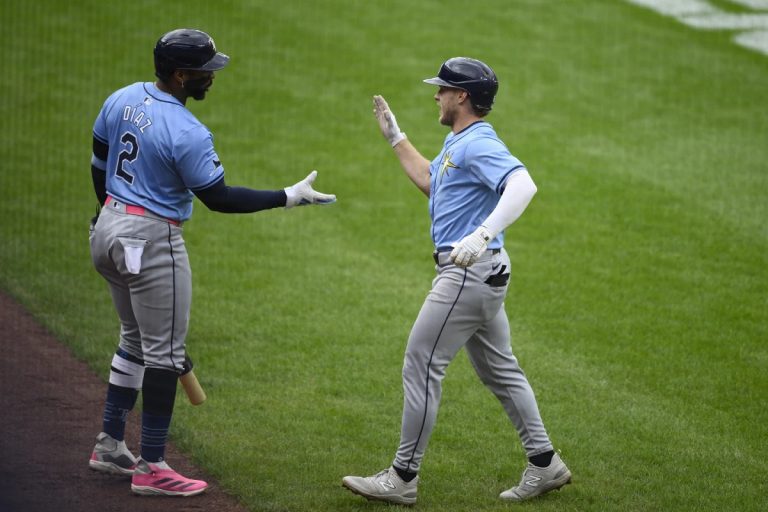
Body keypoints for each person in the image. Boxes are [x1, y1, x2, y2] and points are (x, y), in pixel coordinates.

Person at [87, 28, 335, 497]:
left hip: (108, 229)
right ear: (181, 76)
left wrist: (104, 210)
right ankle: (152, 466)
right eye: (204, 72)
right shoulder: (187, 132)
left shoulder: (120, 98)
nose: (212, 78)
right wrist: (288, 197)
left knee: (134, 340)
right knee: (164, 354)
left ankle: (109, 444)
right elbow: (219, 199)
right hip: (153, 241)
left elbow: (100, 161)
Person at [342, 57, 570, 505]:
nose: (436, 95)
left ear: (461, 96)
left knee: (421, 364)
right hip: (486, 274)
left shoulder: (478, 143)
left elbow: (523, 184)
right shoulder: (459, 140)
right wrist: (396, 138)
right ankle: (545, 465)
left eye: (443, 89)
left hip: (467, 273)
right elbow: (433, 180)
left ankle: (402, 477)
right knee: (501, 371)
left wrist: (482, 234)